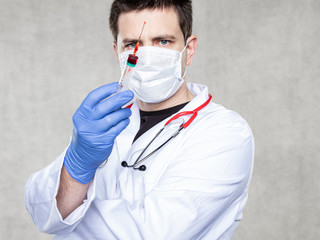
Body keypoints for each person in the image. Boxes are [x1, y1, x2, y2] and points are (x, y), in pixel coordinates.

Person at [25, 0, 254, 239]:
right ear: (118, 52)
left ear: (190, 49)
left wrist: (75, 212)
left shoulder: (225, 132)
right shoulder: (105, 123)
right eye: (133, 44)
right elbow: (42, 212)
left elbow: (154, 233)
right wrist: (77, 163)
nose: (146, 55)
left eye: (163, 41)